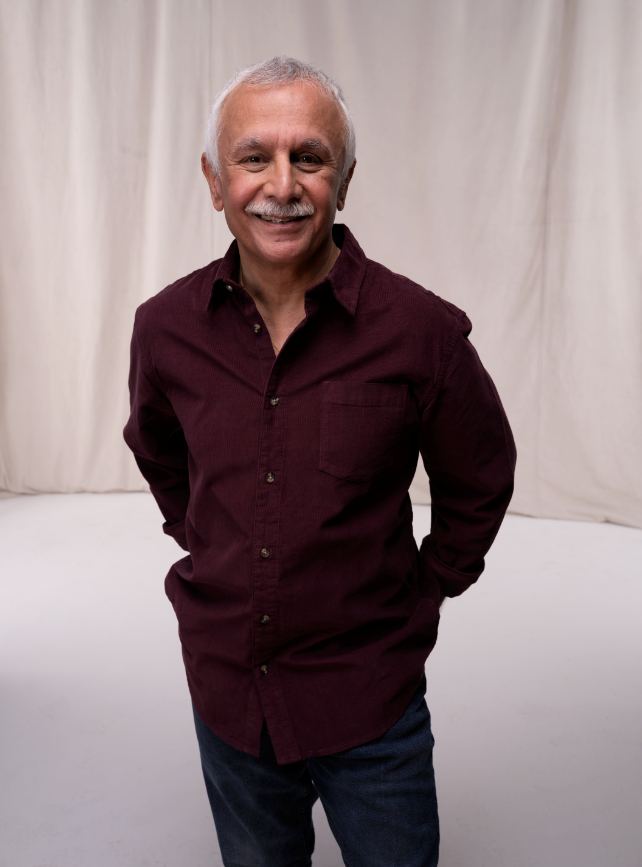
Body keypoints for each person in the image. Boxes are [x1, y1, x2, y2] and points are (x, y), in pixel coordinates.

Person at [123, 56, 516, 867]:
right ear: (214, 179)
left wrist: (428, 584)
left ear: (346, 178)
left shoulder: (422, 332)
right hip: (229, 693)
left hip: (370, 695)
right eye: (253, 156)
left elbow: (480, 474)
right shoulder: (164, 328)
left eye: (309, 157)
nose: (282, 184)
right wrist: (209, 541)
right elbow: (157, 449)